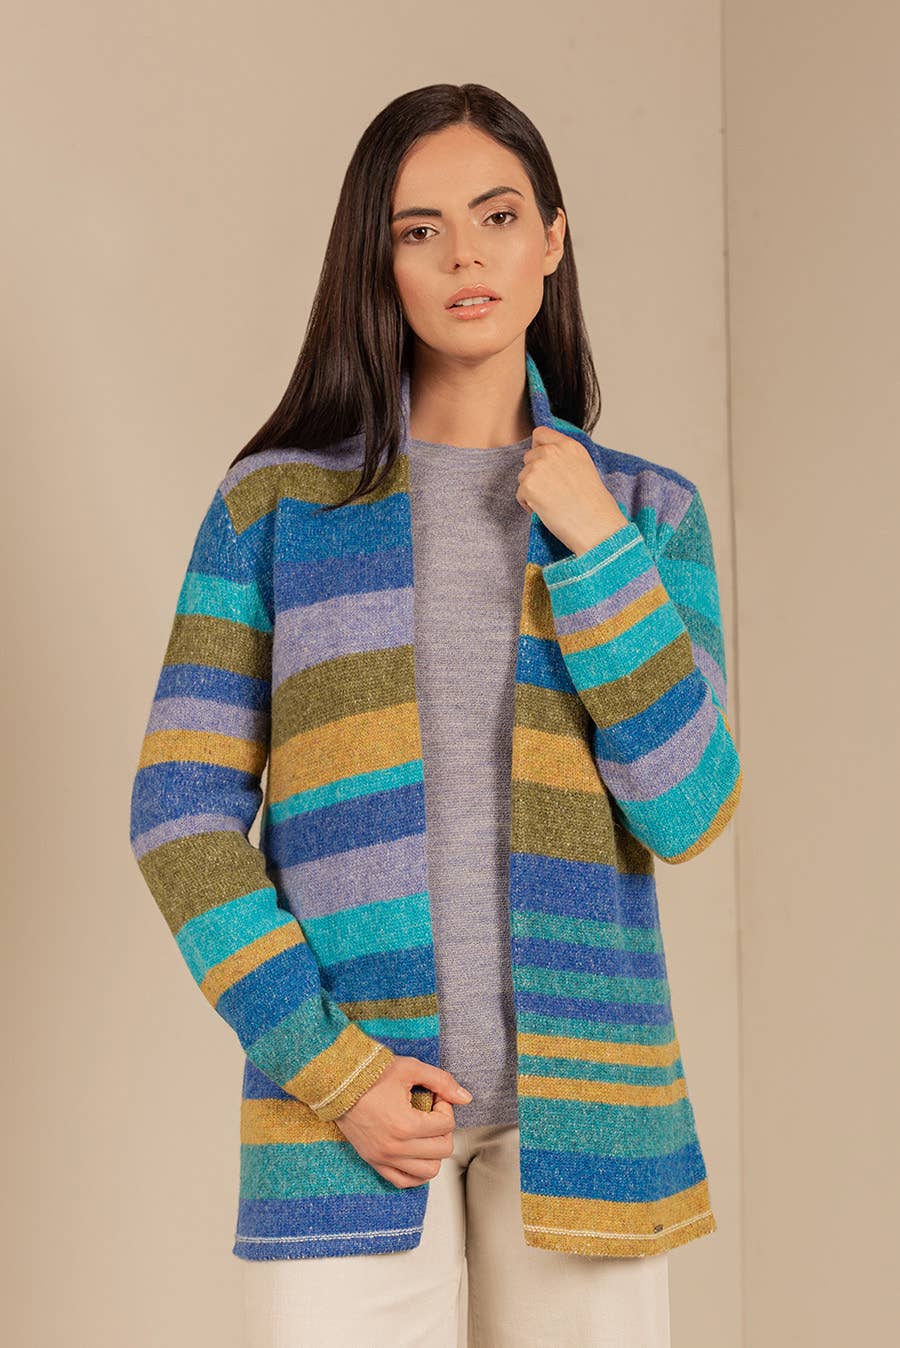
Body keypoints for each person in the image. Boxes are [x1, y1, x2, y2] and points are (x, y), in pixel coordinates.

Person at [129, 82, 741, 1348]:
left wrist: (598, 550)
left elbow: (687, 807)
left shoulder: (647, 513)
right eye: (420, 230)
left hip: (590, 1115)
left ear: (552, 239)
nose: (466, 256)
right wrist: (334, 1069)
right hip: (343, 1111)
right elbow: (178, 817)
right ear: (380, 262)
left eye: (498, 216)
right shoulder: (275, 509)